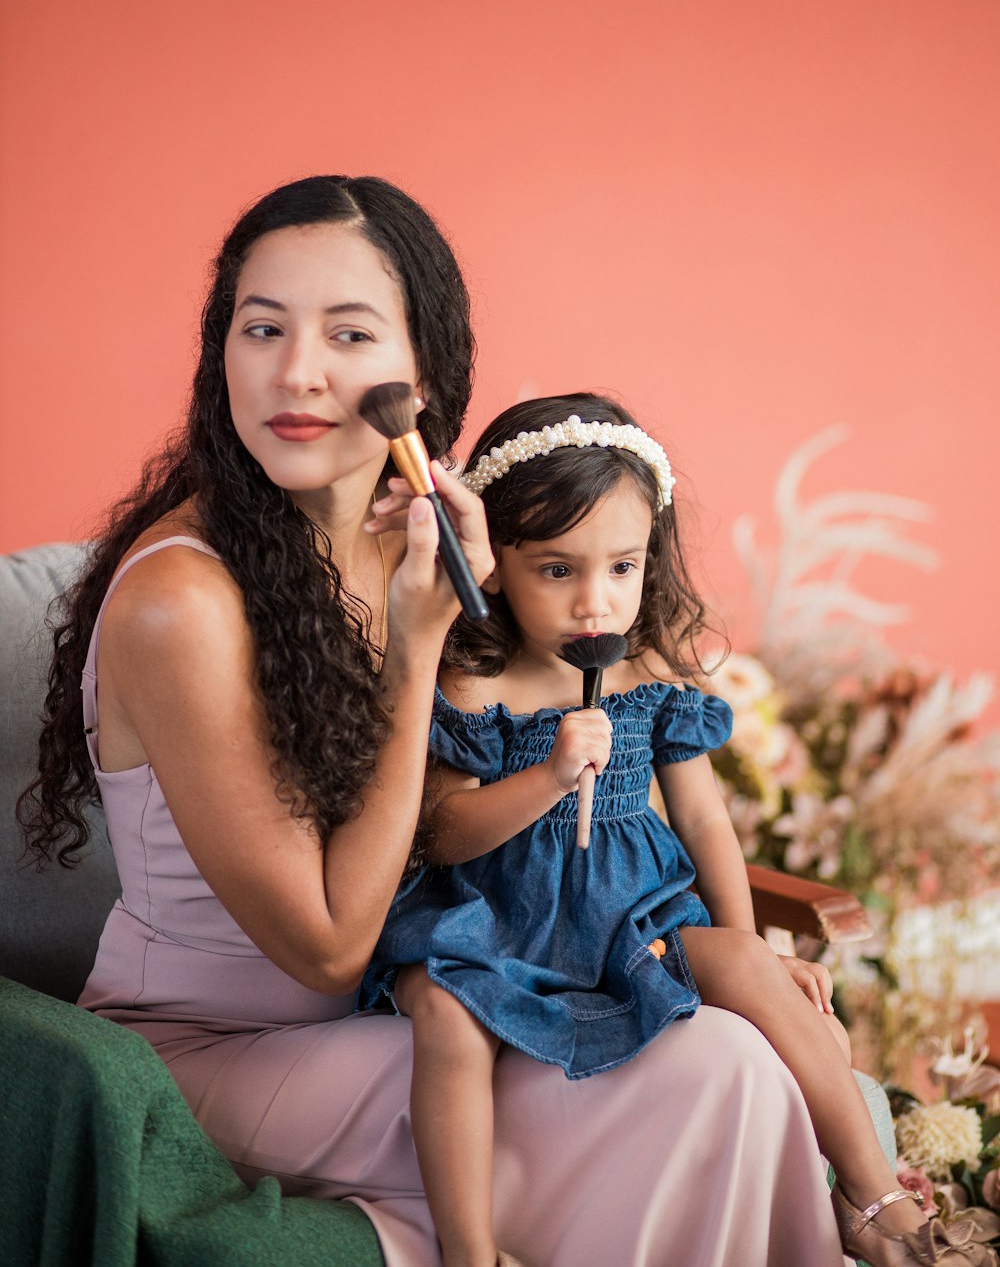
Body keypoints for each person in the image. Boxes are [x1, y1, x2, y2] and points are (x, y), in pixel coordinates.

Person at [22, 176, 856, 1267]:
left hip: (430, 995)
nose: (297, 371)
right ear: (216, 350)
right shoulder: (183, 604)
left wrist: (717, 947)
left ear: (424, 374)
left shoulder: (421, 534)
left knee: (732, 1054)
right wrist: (416, 649)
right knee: (704, 1082)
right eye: (260, 327)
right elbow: (324, 949)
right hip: (230, 1049)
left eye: (349, 332)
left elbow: (589, 708)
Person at [360, 391, 998, 1267]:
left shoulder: (649, 671)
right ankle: (471, 1247)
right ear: (495, 562)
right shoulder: (477, 681)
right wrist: (549, 778)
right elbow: (442, 834)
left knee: (749, 964)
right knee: (445, 1019)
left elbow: (701, 819)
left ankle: (872, 1190)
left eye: (621, 568)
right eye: (557, 570)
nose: (596, 602)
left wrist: (750, 950)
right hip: (497, 920)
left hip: (632, 917)